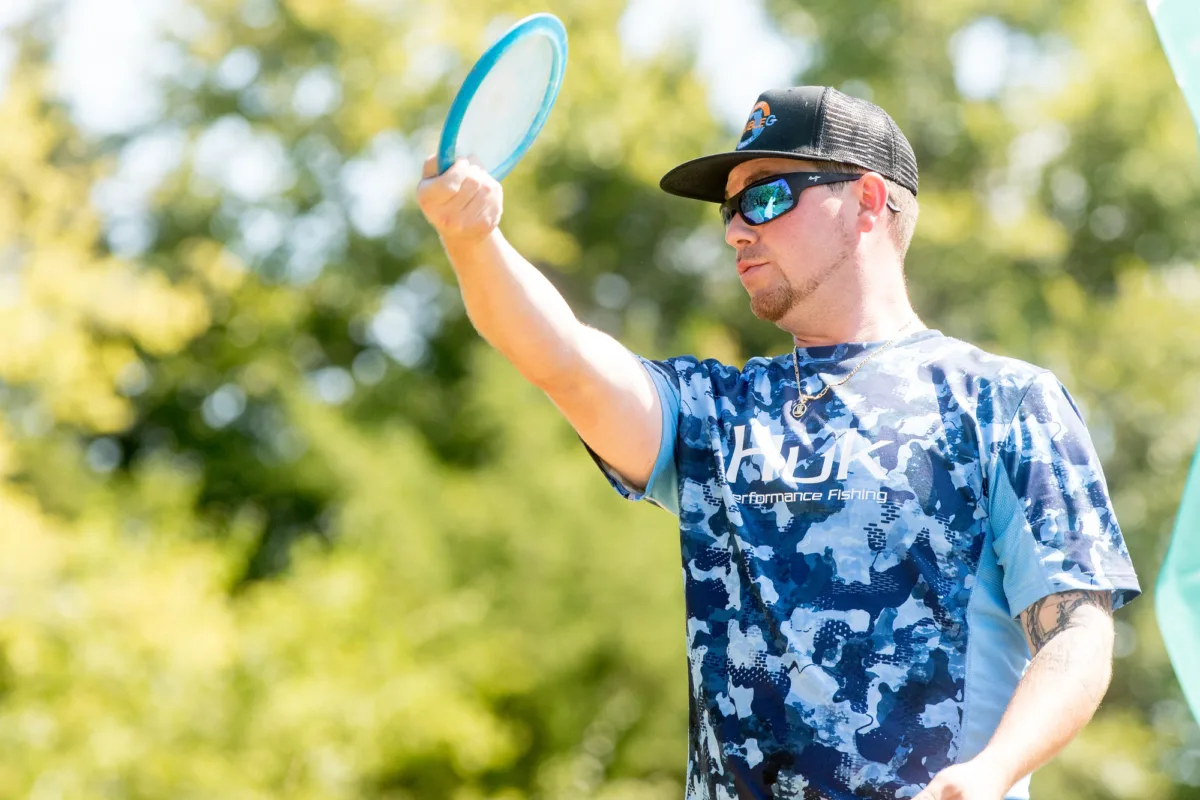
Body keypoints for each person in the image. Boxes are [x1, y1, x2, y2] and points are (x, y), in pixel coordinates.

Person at [416, 85, 1141, 800]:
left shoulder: (1003, 402)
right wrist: (473, 239)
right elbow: (563, 360)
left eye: (764, 197)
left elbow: (1076, 633)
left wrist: (990, 773)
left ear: (865, 201)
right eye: (730, 209)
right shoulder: (718, 412)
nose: (736, 230)